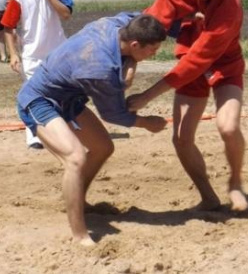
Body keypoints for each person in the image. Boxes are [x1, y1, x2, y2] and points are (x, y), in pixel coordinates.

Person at [17, 13, 169, 245]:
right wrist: (148, 123)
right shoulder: (101, 68)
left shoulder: (115, 24)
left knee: (102, 147)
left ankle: (80, 200)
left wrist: (131, 64)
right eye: (152, 49)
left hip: (68, 99)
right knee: (75, 158)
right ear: (135, 44)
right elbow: (114, 114)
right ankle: (79, 235)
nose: (155, 54)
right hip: (39, 100)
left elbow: (140, 15)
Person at [127, 0, 248, 212]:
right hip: (188, 58)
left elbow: (196, 63)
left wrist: (146, 96)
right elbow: (151, 23)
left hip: (223, 65)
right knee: (181, 138)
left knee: (228, 127)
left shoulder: (229, 10)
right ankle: (209, 197)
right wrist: (130, 63)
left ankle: (236, 183)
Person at [2, 0, 73, 149]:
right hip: (31, 53)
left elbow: (66, 14)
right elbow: (8, 26)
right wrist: (13, 54)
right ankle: (34, 135)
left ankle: (60, 130)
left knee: (61, 92)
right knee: (34, 94)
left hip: (58, 51)